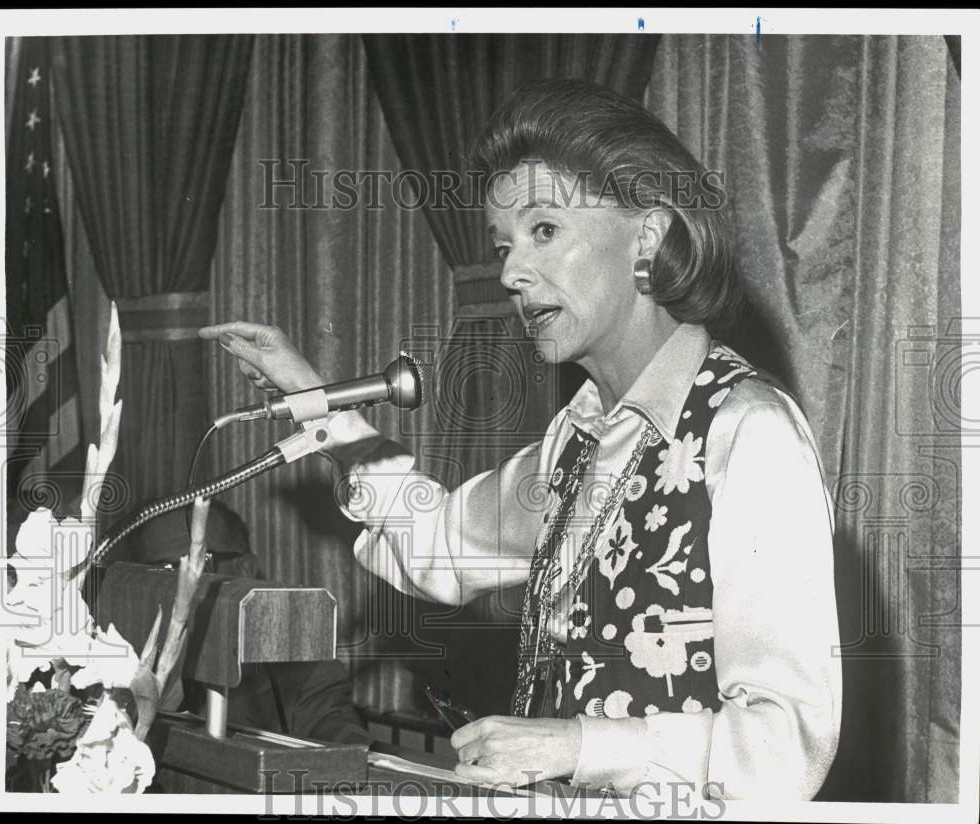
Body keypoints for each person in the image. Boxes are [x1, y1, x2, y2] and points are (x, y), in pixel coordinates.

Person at [199, 78, 841, 799]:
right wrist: (317, 402)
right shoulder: (577, 438)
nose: (510, 272)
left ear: (648, 237)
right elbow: (439, 542)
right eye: (503, 245)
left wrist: (574, 745)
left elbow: (787, 743)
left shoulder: (749, 430)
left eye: (544, 231)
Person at [121, 499, 371, 746]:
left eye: (198, 563)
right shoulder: (116, 662)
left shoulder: (301, 672)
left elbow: (346, 747)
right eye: (161, 570)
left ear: (245, 569)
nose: (179, 585)